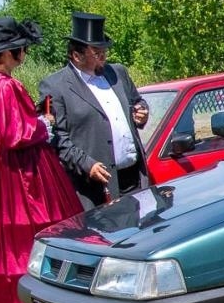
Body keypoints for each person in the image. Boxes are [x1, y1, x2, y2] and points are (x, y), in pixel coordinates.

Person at [0, 18, 83, 303]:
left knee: (5, 238)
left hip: (0, 164)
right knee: (26, 233)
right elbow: (14, 134)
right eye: (21, 49)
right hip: (19, 168)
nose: (24, 54)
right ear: (10, 52)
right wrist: (43, 123)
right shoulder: (3, 85)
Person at [40, 12, 149, 209]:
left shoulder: (117, 73)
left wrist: (141, 112)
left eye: (105, 52)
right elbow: (57, 138)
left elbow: (137, 101)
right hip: (96, 187)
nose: (103, 58)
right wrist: (86, 164)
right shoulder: (56, 87)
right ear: (77, 55)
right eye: (97, 54)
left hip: (134, 177)